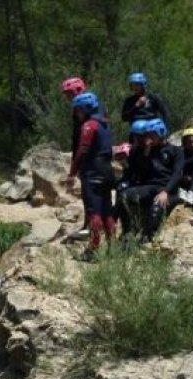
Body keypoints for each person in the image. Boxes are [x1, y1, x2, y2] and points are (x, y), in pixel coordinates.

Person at [66, 92, 116, 262]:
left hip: (92, 171)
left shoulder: (89, 125)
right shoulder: (105, 123)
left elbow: (82, 150)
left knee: (94, 212)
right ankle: (112, 248)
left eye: (78, 110)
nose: (76, 113)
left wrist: (72, 173)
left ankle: (93, 249)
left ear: (85, 109)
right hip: (107, 170)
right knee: (107, 211)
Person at [117, 118, 183, 243]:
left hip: (167, 189)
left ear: (160, 133)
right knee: (124, 196)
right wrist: (147, 152)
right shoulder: (147, 151)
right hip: (150, 187)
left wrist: (166, 191)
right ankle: (127, 232)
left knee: (156, 208)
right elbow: (141, 171)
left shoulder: (176, 151)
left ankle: (147, 238)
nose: (149, 138)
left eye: (152, 135)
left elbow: (177, 173)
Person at [61, 76, 92, 240]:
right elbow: (76, 138)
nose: (67, 98)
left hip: (91, 156)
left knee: (90, 193)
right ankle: (88, 225)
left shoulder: (90, 108)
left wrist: (75, 165)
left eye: (68, 94)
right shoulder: (77, 110)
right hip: (82, 156)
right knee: (86, 193)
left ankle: (91, 228)